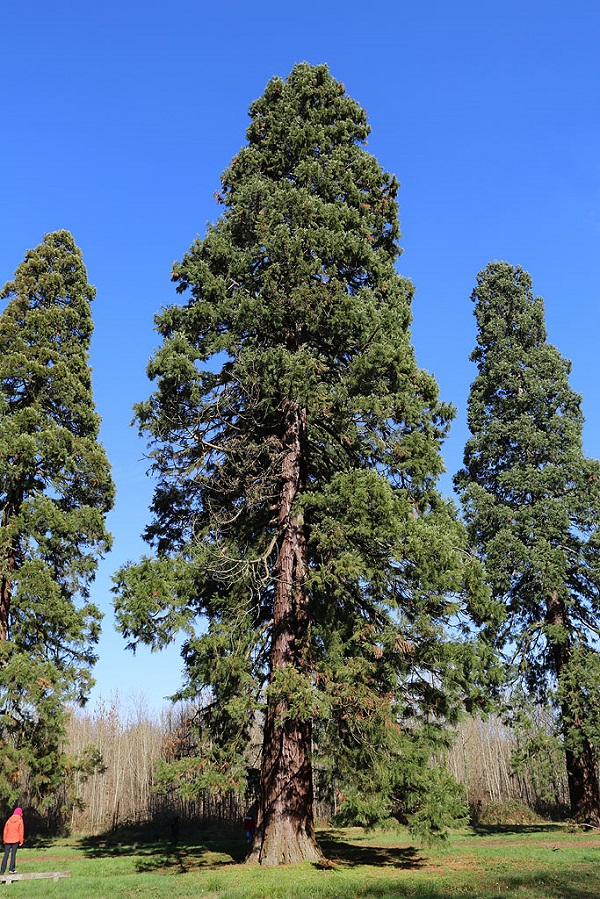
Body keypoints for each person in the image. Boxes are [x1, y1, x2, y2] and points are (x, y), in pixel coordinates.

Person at [0, 808, 24, 875]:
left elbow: (5, 830)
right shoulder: (20, 820)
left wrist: (4, 839)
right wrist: (21, 841)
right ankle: (11, 869)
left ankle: (2, 870)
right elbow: (21, 831)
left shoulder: (9, 819)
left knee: (6, 855)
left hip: (7, 840)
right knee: (13, 854)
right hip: (16, 839)